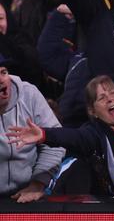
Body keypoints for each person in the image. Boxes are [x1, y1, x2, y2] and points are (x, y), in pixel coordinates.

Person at [0, 58, 65, 202]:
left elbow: (55, 143)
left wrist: (38, 184)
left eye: (3, 73)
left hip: (29, 195)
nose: (1, 80)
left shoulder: (29, 94)